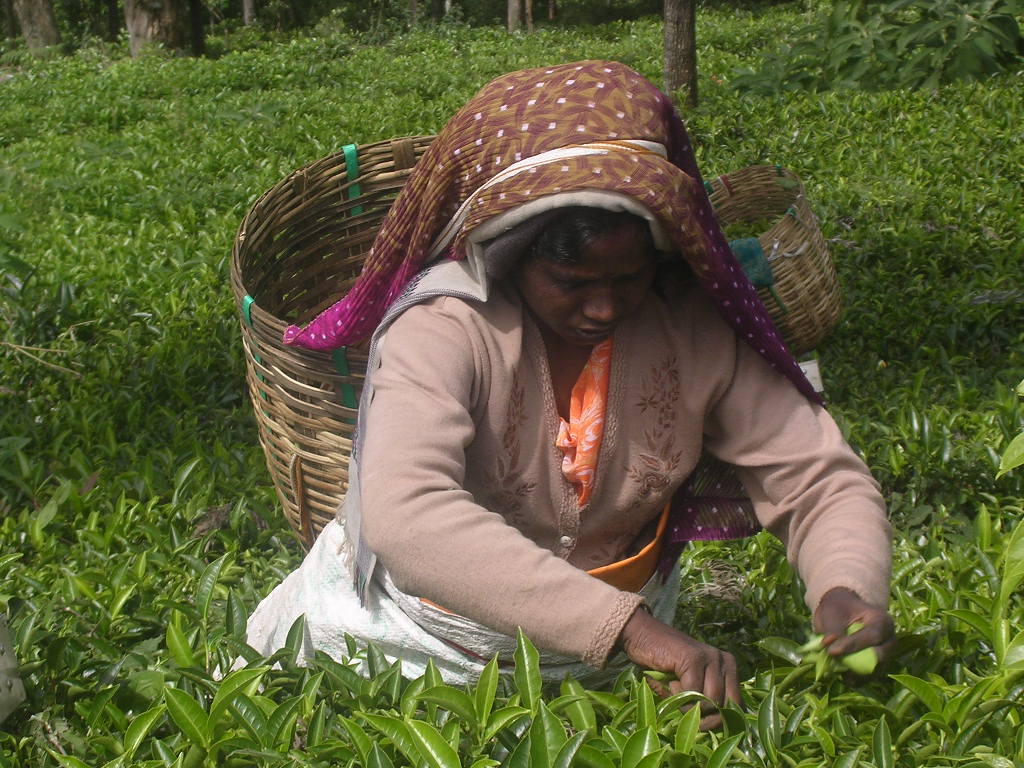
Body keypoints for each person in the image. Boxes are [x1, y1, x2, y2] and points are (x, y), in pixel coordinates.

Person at [245, 60, 893, 726]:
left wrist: (845, 584)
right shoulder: (444, 327)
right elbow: (407, 516)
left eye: (629, 278)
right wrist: (628, 628)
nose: (604, 308)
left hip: (618, 650)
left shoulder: (692, 328)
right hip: (414, 645)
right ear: (511, 252)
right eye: (572, 282)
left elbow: (816, 475)